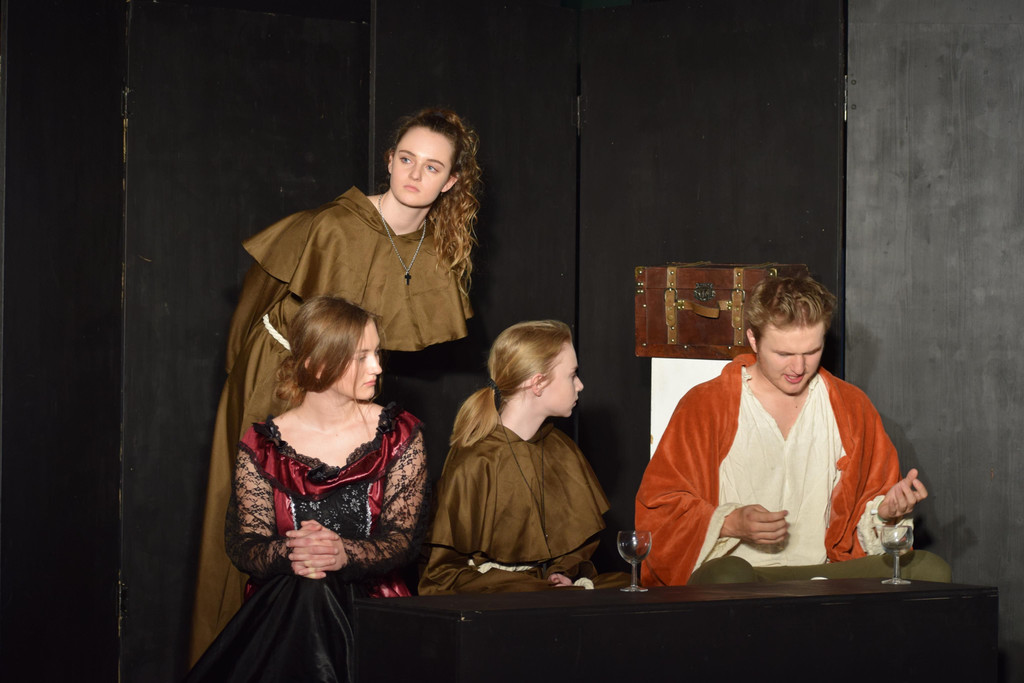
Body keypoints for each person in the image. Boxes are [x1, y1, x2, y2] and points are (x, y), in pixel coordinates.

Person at [190, 108, 480, 660]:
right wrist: (244, 378)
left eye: (432, 166)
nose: (414, 174)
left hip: (348, 387)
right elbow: (254, 302)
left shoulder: (436, 250)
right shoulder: (331, 225)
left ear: (451, 181)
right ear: (389, 160)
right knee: (256, 520)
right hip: (276, 372)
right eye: (406, 159)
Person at [635, 276, 951, 586]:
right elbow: (660, 510)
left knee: (929, 569)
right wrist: (731, 522)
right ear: (753, 340)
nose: (798, 368)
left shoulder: (852, 406)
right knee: (728, 576)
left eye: (812, 351)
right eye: (784, 354)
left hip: (823, 575)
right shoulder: (705, 404)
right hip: (741, 577)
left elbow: (863, 520)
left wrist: (884, 513)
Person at [185, 296, 428, 682]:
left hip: (374, 610)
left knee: (318, 591)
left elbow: (403, 541)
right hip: (287, 611)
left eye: (376, 353)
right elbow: (246, 547)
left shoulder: (398, 434)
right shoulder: (262, 445)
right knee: (309, 589)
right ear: (317, 363)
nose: (377, 367)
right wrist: (296, 552)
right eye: (361, 357)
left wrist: (342, 553)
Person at [419, 320, 628, 593]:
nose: (580, 385)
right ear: (538, 383)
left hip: (553, 593)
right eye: (572, 375)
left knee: (630, 587)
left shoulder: (562, 448)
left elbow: (574, 546)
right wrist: (534, 588)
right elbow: (442, 574)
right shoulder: (475, 460)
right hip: (497, 595)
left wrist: (561, 572)